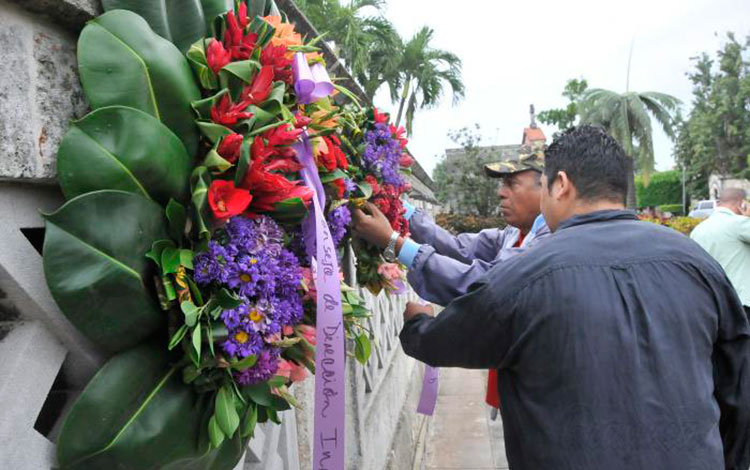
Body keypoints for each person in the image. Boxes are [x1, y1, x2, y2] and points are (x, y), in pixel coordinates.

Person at [399, 125, 750, 470]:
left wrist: (417, 321)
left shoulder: (528, 274)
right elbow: (738, 386)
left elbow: (447, 339)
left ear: (561, 185)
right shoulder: (697, 264)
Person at [351, 145, 550, 411]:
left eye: (512, 184)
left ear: (549, 188)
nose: (502, 192)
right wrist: (400, 207)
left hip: (534, 398)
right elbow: (459, 248)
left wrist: (393, 242)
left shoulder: (546, 244)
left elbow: (481, 284)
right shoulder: (515, 234)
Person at [691, 188, 750, 316]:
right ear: (742, 203)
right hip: (743, 301)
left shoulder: (698, 230)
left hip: (714, 302)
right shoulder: (740, 223)